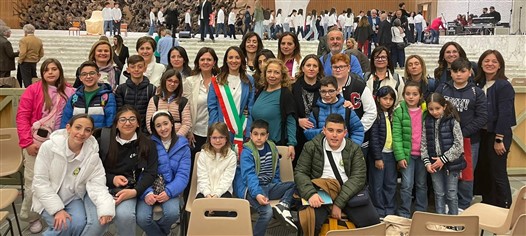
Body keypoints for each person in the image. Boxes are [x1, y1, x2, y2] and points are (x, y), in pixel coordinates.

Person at [16, 58, 75, 234]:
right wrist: (27, 142)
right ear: (42, 73)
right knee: (33, 181)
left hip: (60, 143)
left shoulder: (69, 91)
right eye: (46, 70)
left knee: (58, 180)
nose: (50, 72)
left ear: (60, 71)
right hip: (36, 143)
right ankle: (32, 216)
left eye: (54, 69)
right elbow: (22, 117)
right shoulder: (32, 91)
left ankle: (54, 212)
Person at [295, 113, 380, 235]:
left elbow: (358, 178)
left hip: (348, 192)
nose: (334, 135)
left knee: (373, 223)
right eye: (330, 130)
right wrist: (310, 194)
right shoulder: (311, 147)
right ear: (324, 131)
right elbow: (300, 172)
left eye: (339, 131)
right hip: (322, 192)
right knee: (308, 222)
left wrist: (339, 204)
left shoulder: (354, 149)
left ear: (345, 133)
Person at [33, 114, 115, 235]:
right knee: (65, 226)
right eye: (78, 127)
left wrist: (106, 208)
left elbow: (98, 183)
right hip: (47, 196)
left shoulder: (92, 155)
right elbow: (40, 182)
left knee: (79, 223)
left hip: (72, 198)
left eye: (87, 130)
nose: (82, 133)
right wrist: (57, 210)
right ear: (68, 128)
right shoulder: (49, 147)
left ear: (91, 133)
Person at [95, 105, 158, 236]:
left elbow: (150, 172)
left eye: (132, 119)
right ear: (116, 124)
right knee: (94, 220)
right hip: (102, 187)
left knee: (125, 215)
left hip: (131, 189)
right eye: (122, 119)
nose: (127, 123)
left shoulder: (147, 144)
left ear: (138, 124)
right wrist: (112, 178)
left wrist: (134, 192)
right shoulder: (104, 141)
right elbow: (94, 170)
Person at [434, 58, 487, 212]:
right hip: (444, 138)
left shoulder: (476, 92)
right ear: (450, 72)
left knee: (466, 173)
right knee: (446, 171)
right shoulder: (442, 89)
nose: (458, 74)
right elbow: (433, 108)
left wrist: (460, 133)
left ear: (469, 72)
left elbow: (482, 117)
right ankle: (445, 206)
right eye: (455, 71)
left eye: (462, 71)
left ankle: (463, 206)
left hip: (468, 140)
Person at [235, 119, 298, 236]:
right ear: (250, 135)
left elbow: (275, 171)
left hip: (269, 186)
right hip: (252, 189)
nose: (259, 138)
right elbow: (250, 176)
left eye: (262, 134)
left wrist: (276, 185)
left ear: (267, 136)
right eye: (255, 134)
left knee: (293, 185)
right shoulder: (247, 152)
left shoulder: (272, 148)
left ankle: (283, 206)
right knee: (267, 213)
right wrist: (257, 194)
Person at [137, 110, 190, 235]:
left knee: (172, 213)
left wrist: (169, 192)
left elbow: (183, 175)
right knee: (142, 218)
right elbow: (140, 172)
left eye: (165, 123)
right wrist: (147, 192)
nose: (163, 128)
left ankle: (154, 232)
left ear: (172, 124)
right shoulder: (147, 144)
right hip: (148, 187)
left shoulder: (183, 146)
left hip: (170, 189)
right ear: (154, 128)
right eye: (158, 125)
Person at [474, 50, 516, 209]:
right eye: (486, 60)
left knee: (498, 172)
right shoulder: (480, 83)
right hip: (483, 134)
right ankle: (490, 204)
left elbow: (505, 114)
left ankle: (506, 206)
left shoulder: (503, 85)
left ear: (500, 65)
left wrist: (499, 139)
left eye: (494, 61)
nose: (489, 64)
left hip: (498, 134)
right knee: (485, 170)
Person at [422, 93, 465, 215]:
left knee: (451, 194)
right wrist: (427, 162)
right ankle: (440, 221)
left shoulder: (452, 121)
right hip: (434, 165)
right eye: (431, 109)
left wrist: (443, 159)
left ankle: (454, 222)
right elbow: (423, 143)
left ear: (444, 106)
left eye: (437, 108)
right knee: (439, 193)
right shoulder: (427, 121)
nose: (434, 112)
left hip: (452, 165)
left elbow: (458, 145)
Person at [208, 46, 255, 155]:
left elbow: (250, 106)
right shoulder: (216, 80)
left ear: (242, 60)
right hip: (222, 131)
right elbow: (212, 107)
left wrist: (248, 130)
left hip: (242, 130)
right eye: (230, 57)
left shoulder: (249, 80)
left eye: (237, 58)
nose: (234, 61)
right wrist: (216, 130)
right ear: (226, 60)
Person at [392, 81, 428, 218]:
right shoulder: (399, 111)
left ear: (420, 95)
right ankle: (404, 212)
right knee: (406, 185)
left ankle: (421, 212)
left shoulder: (425, 110)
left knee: (421, 184)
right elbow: (397, 135)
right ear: (403, 95)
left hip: (423, 155)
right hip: (407, 155)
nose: (411, 97)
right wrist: (400, 156)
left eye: (415, 94)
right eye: (408, 94)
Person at [251, 59, 296, 158]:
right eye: (269, 71)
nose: (272, 75)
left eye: (276, 72)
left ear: (282, 76)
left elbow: (291, 120)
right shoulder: (261, 91)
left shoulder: (285, 94)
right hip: (256, 145)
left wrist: (291, 144)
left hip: (275, 146)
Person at [304, 75, 364, 145]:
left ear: (338, 91)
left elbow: (358, 130)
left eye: (331, 91)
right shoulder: (315, 111)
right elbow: (308, 133)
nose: (327, 95)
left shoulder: (347, 109)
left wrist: (352, 148)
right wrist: (322, 132)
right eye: (323, 91)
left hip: (344, 152)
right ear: (319, 92)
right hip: (322, 152)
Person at [369, 86, 397, 218]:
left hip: (391, 154)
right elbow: (374, 138)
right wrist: (377, 157)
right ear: (378, 99)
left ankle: (389, 209)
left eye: (391, 99)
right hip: (379, 155)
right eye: (385, 98)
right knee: (377, 184)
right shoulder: (376, 115)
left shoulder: (393, 114)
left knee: (390, 183)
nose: (388, 102)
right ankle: (379, 210)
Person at [61, 61, 117, 128]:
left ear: (98, 75)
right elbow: (65, 122)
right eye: (84, 74)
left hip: (98, 137)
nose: (88, 76)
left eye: (92, 73)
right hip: (78, 137)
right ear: (80, 78)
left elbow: (111, 121)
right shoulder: (74, 98)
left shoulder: (107, 97)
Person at [292, 55, 323, 163]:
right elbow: (288, 110)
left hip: (318, 134)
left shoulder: (324, 88)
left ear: (319, 69)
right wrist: (298, 120)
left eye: (315, 66)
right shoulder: (293, 87)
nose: (311, 68)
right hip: (297, 134)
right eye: (308, 65)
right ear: (302, 68)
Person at [115, 55, 157, 133]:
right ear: (127, 69)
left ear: (145, 68)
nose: (136, 69)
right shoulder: (121, 89)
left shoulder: (152, 89)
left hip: (145, 130)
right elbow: (119, 111)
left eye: (140, 67)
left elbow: (152, 113)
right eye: (133, 67)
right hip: (126, 128)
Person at [196, 122, 237, 199]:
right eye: (214, 138)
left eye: (221, 137)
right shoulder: (203, 154)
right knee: (200, 207)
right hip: (204, 191)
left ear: (226, 139)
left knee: (221, 208)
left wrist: (217, 195)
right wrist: (207, 194)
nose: (218, 140)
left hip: (223, 192)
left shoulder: (231, 156)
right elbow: (202, 177)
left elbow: (227, 179)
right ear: (209, 138)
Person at [146, 69, 191, 136]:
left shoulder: (183, 101)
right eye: (169, 81)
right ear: (164, 81)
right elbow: (149, 122)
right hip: (158, 139)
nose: (172, 84)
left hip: (177, 139)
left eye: (176, 82)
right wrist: (160, 137)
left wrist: (176, 139)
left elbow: (186, 124)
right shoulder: (155, 100)